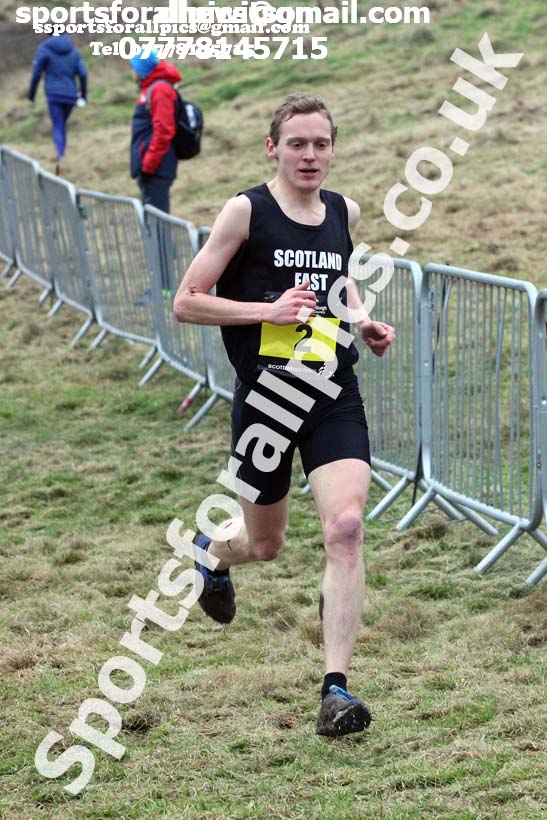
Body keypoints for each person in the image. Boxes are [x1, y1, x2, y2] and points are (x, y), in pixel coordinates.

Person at [173, 93, 395, 737]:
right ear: (274, 147)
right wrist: (262, 312)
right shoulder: (246, 210)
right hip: (267, 403)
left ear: (332, 149)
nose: (310, 155)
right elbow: (188, 302)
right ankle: (213, 552)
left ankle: (336, 691)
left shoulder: (344, 211)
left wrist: (362, 322)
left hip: (332, 394)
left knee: (346, 528)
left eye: (321, 144)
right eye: (297, 143)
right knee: (264, 546)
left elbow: (339, 282)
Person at [129, 48, 182, 215]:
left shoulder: (159, 89)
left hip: (157, 167)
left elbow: (164, 131)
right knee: (153, 221)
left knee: (157, 223)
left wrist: (148, 167)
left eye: (134, 67)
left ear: (142, 69)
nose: (131, 71)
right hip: (153, 167)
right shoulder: (151, 88)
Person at [27, 34, 87, 175]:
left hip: (53, 94)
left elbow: (36, 73)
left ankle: (60, 155)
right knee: (62, 124)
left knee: (58, 125)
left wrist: (31, 94)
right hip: (71, 95)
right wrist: (84, 95)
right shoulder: (73, 49)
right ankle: (62, 155)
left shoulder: (44, 48)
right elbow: (83, 74)